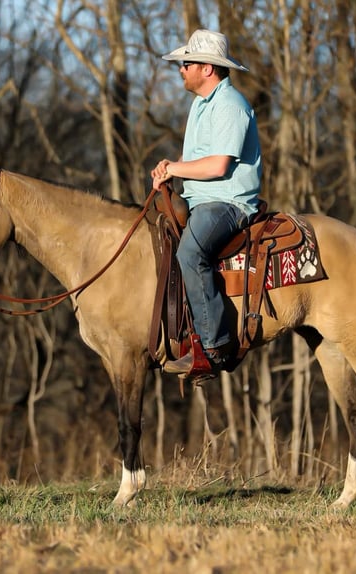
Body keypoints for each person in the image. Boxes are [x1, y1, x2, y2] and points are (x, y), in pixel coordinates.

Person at [151, 29, 262, 376]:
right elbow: (199, 161)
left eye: (187, 63)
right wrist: (171, 169)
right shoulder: (201, 105)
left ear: (207, 69)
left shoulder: (230, 106)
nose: (181, 69)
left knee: (189, 253)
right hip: (201, 198)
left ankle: (214, 347)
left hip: (227, 203)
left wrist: (173, 168)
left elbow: (218, 166)